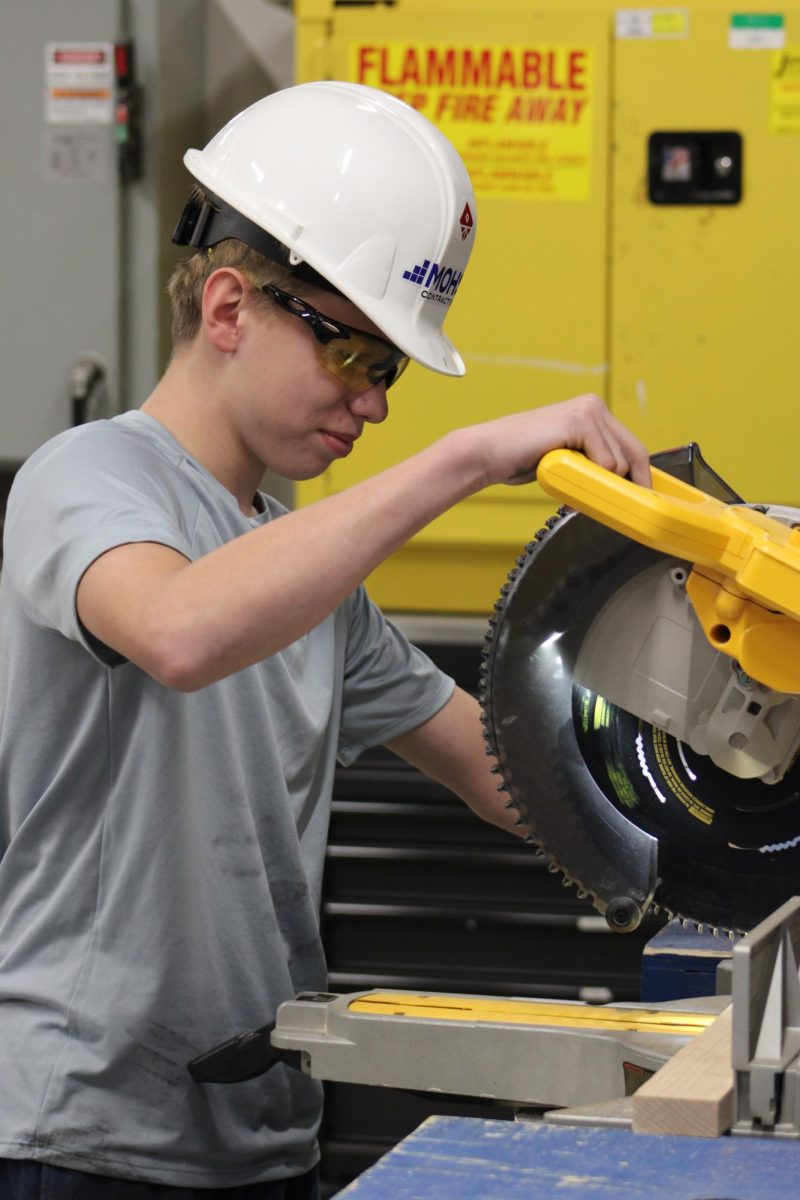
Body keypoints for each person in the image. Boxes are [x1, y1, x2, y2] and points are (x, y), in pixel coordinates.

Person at [0, 81, 649, 1199]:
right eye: (356, 356)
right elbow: (176, 628)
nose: (376, 404)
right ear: (225, 309)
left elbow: (511, 776)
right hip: (90, 1141)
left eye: (389, 371)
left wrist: (715, 780)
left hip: (262, 1136)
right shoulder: (85, 481)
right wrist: (463, 462)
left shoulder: (301, 577)